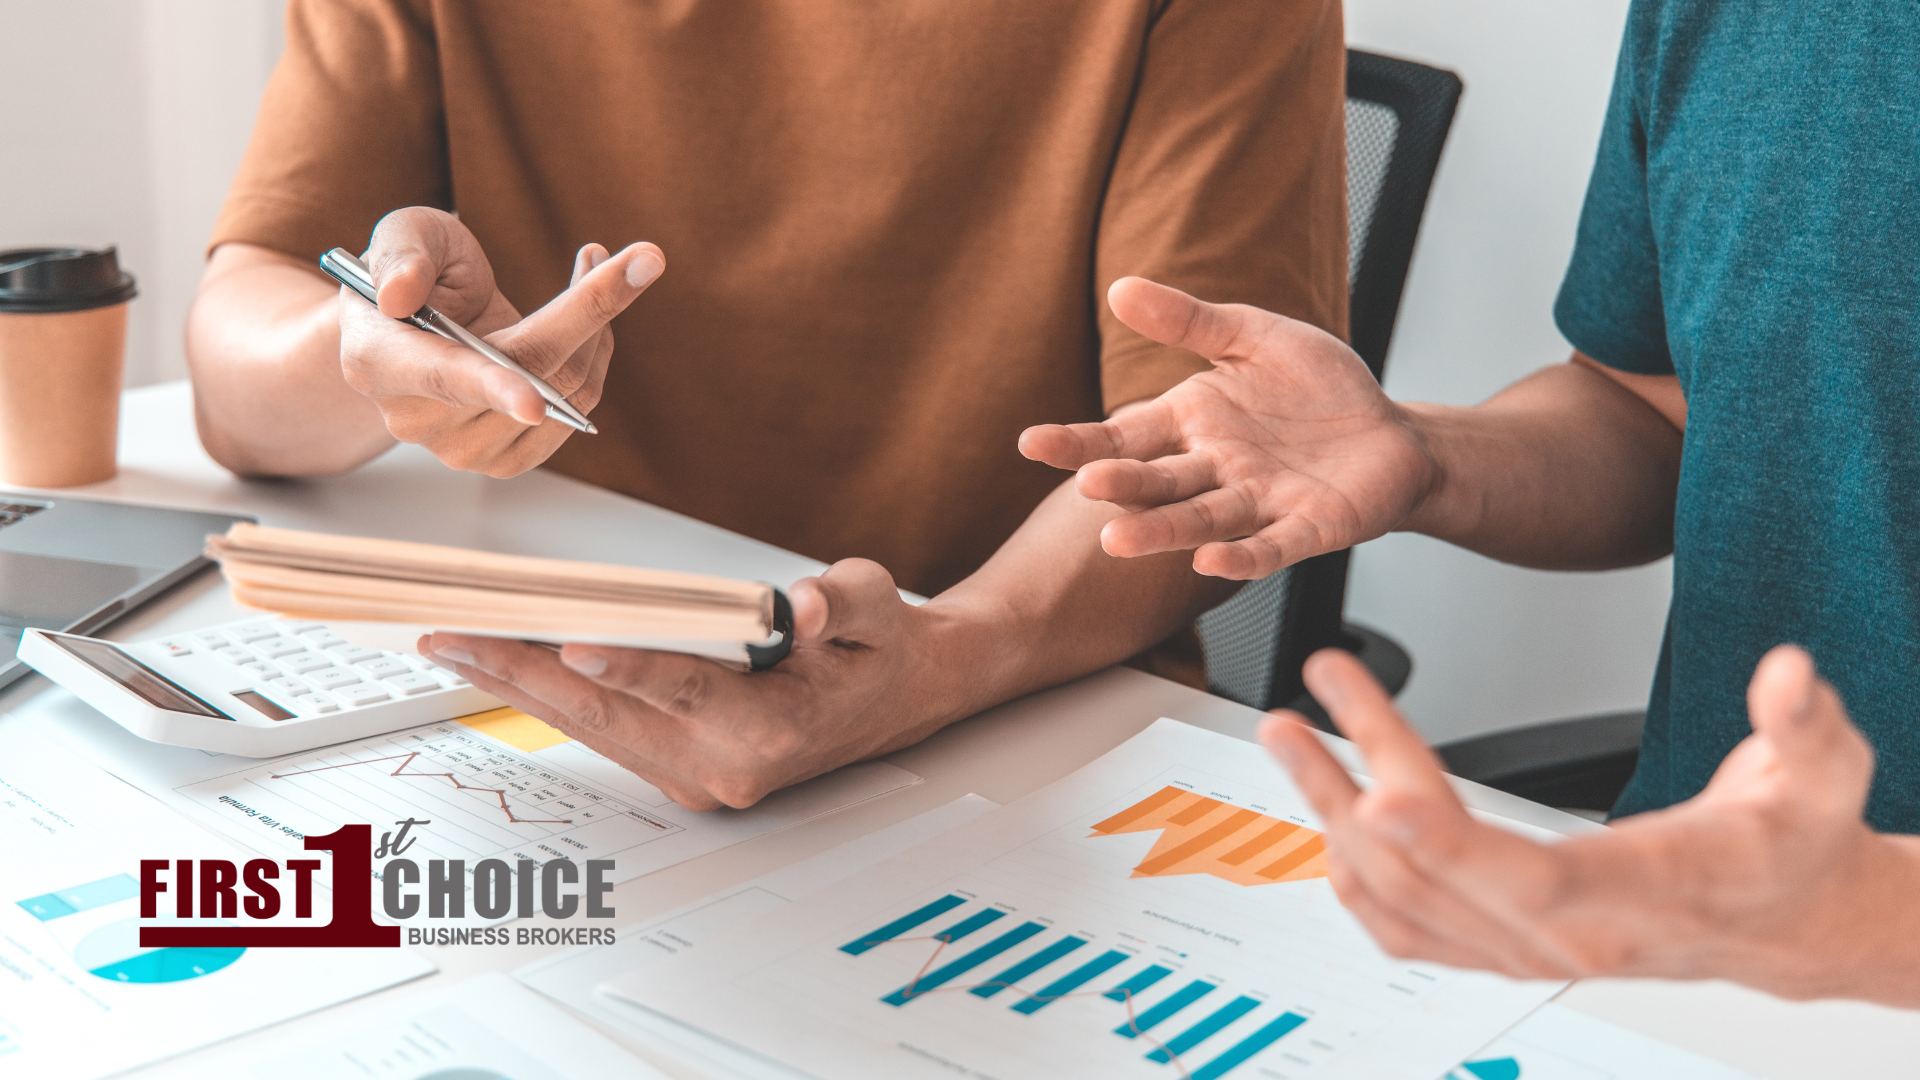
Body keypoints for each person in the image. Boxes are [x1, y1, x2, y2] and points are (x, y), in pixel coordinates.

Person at [185, 1, 1349, 810]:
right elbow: (235, 381)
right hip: (538, 714)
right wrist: (371, 356)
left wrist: (943, 662)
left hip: (1008, 721)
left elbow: (1211, 445)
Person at [1019, 1, 1920, 1005]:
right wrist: (1425, 456)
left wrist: (1847, 917)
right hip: (1676, 949)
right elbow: (1656, 409)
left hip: (1782, 947)